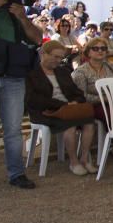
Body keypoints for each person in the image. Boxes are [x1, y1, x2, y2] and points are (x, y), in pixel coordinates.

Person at [0, 0, 44, 188]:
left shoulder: (14, 13)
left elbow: (38, 38)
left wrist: (22, 17)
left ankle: (17, 174)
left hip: (13, 78)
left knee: (13, 129)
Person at [26, 40, 98, 175]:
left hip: (68, 109)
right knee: (69, 125)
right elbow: (33, 100)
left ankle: (84, 159)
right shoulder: (31, 74)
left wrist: (75, 102)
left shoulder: (63, 72)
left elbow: (77, 93)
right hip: (45, 111)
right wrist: (62, 105)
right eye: (55, 56)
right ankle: (73, 162)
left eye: (61, 57)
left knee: (89, 123)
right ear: (43, 54)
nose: (58, 60)